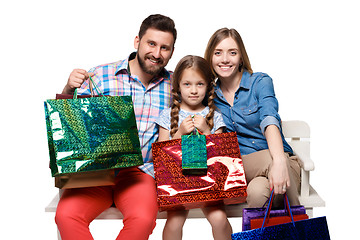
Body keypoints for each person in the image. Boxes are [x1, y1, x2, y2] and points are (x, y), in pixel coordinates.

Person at [55, 14, 177, 240]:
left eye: (165, 48)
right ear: (137, 41)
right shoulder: (100, 75)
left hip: (139, 174)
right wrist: (68, 87)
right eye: (151, 43)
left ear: (171, 51)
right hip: (96, 171)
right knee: (66, 216)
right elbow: (71, 124)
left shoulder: (175, 85)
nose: (157, 54)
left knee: (142, 219)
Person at [204, 28, 301, 208]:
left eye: (232, 53)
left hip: (281, 162)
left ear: (241, 57)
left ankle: (293, 230)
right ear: (210, 57)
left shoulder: (260, 82)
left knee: (257, 193)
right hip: (243, 167)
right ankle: (301, 232)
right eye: (218, 53)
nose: (225, 59)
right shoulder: (208, 95)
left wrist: (279, 161)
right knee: (268, 163)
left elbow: (270, 119)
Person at [156, 55, 232, 240]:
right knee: (174, 222)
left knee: (220, 219)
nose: (194, 90)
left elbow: (222, 155)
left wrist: (206, 130)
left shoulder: (214, 115)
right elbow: (161, 156)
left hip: (209, 183)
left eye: (200, 84)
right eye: (187, 84)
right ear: (178, 87)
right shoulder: (168, 115)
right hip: (178, 185)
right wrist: (180, 134)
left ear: (208, 86)